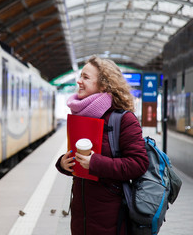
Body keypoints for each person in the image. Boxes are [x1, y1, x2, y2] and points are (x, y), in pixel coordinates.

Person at [55, 55, 149, 235]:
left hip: (111, 219)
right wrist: (63, 164)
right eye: (80, 76)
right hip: (81, 219)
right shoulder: (80, 117)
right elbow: (79, 161)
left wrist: (95, 163)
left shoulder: (124, 119)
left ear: (104, 85)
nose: (79, 81)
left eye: (86, 77)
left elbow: (139, 163)